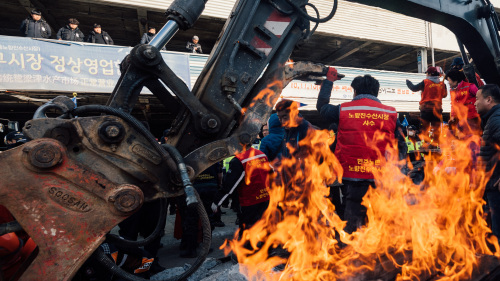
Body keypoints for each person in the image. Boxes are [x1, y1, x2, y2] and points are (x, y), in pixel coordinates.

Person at [317, 68, 405, 233]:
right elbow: (401, 143)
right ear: (377, 92)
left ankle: (353, 249)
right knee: (378, 226)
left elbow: (321, 107)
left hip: (352, 178)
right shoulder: (390, 113)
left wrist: (328, 82)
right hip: (381, 179)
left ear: (355, 91)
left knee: (353, 226)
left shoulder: (343, 110)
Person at [212, 145, 271, 231]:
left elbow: (229, 186)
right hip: (265, 198)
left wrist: (217, 202)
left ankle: (246, 244)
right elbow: (271, 173)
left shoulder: (239, 160)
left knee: (247, 232)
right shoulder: (261, 154)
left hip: (250, 202)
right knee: (265, 228)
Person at [475, 84, 500, 237]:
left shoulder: (496, 119)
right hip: (492, 185)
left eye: (477, 99)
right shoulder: (492, 119)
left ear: (489, 99)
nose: (474, 103)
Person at [406, 66, 447, 143]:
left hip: (426, 110)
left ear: (430, 74)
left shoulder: (425, 82)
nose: (426, 75)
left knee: (424, 128)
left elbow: (414, 88)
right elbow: (444, 95)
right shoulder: (442, 84)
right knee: (436, 128)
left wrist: (408, 82)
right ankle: (435, 143)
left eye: (427, 73)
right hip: (437, 109)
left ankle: (425, 144)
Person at [445, 69, 481, 137]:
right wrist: (452, 116)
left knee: (472, 137)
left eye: (449, 80)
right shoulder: (452, 91)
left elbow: (481, 97)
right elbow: (453, 104)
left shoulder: (470, 86)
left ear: (455, 81)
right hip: (462, 119)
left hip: (473, 118)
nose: (448, 83)